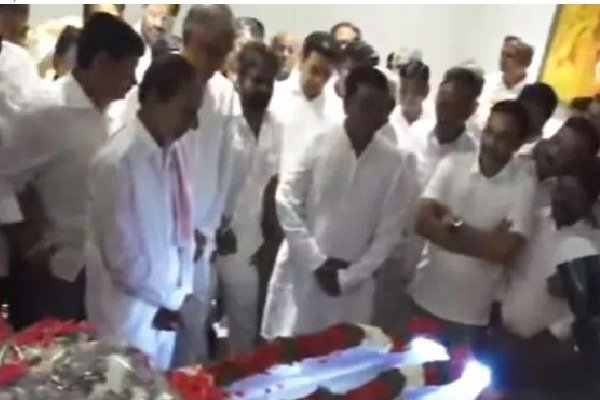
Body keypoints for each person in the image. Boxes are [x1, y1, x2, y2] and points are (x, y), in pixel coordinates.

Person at [0, 13, 143, 330]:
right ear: (102, 63)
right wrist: (26, 236)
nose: (133, 81)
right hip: (51, 272)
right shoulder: (44, 110)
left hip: (99, 270)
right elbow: (3, 174)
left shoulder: (116, 115)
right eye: (129, 69)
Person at [261, 66, 415, 338]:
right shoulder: (316, 141)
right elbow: (286, 200)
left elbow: (388, 234)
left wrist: (349, 277)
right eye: (366, 105)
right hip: (302, 276)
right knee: (290, 352)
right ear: (347, 103)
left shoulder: (396, 163)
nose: (373, 115)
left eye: (380, 108)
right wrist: (315, 261)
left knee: (342, 355)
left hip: (353, 288)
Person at [86, 54, 203, 371]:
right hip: (127, 321)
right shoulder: (117, 162)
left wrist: (179, 294)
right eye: (187, 111)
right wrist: (170, 299)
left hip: (164, 314)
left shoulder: (173, 152)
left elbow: (178, 235)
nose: (193, 124)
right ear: (153, 98)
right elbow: (123, 259)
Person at [408, 100, 536, 350]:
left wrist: (454, 225)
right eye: (489, 131)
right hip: (424, 295)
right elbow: (422, 223)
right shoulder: (453, 164)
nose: (491, 142)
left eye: (503, 137)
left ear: (519, 143)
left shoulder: (524, 185)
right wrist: (488, 243)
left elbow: (505, 252)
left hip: (470, 315)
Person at [487, 159, 600, 398]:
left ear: (590, 200)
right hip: (500, 335)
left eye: (574, 195)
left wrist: (550, 336)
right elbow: (506, 269)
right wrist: (496, 316)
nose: (563, 199)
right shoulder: (532, 221)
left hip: (546, 353)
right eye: (562, 189)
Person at [171, 4, 237, 366]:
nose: (216, 61)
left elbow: (226, 169)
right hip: (160, 239)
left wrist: (206, 231)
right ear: (188, 38)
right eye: (211, 50)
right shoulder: (156, 81)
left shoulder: (225, 93)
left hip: (201, 240)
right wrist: (177, 231)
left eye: (223, 53)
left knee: (192, 341)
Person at [215, 42, 282, 355]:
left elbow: (274, 183)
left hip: (250, 243)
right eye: (256, 80)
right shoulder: (222, 122)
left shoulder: (276, 127)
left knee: (245, 331)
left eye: (269, 82)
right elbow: (206, 179)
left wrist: (271, 240)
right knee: (196, 328)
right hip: (212, 237)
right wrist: (217, 228)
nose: (263, 89)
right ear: (238, 78)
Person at [271, 31, 342, 171]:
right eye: (315, 71)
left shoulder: (337, 111)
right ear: (302, 59)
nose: (319, 80)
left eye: (326, 74)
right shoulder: (275, 96)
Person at [410, 67, 483, 188]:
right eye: (443, 99)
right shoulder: (416, 133)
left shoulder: (473, 155)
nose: (445, 109)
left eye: (456, 102)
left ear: (472, 108)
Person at [476, 36, 534, 132]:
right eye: (502, 54)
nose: (503, 59)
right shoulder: (487, 81)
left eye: (510, 56)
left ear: (525, 62)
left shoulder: (531, 94)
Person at [385, 59, 432, 149]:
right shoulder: (389, 122)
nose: (408, 97)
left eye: (415, 91)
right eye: (403, 91)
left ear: (425, 91)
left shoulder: (434, 124)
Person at [135, 4, 182, 82]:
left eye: (166, 18)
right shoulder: (123, 49)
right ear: (143, 9)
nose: (159, 24)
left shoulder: (180, 55)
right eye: (153, 15)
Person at [514, 83, 559, 157]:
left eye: (529, 112)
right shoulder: (503, 133)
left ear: (546, 117)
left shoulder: (540, 154)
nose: (523, 117)